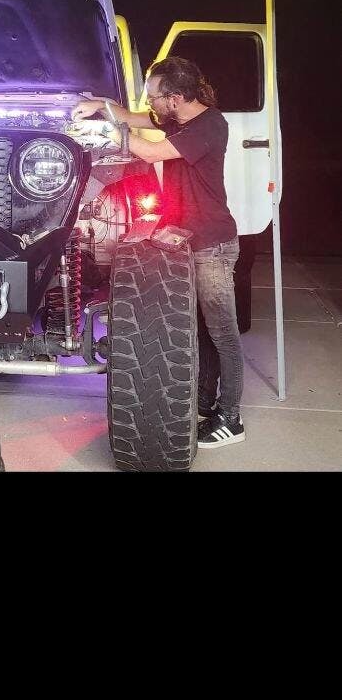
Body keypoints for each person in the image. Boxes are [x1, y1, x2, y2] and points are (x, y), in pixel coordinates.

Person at [72, 56, 245, 448]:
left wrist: (105, 131)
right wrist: (100, 105)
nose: (149, 103)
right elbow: (129, 117)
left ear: (176, 98)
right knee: (202, 329)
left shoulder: (209, 125)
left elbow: (149, 153)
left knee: (223, 333)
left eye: (154, 96)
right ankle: (205, 400)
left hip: (213, 245)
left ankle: (231, 418)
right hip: (190, 240)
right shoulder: (177, 119)